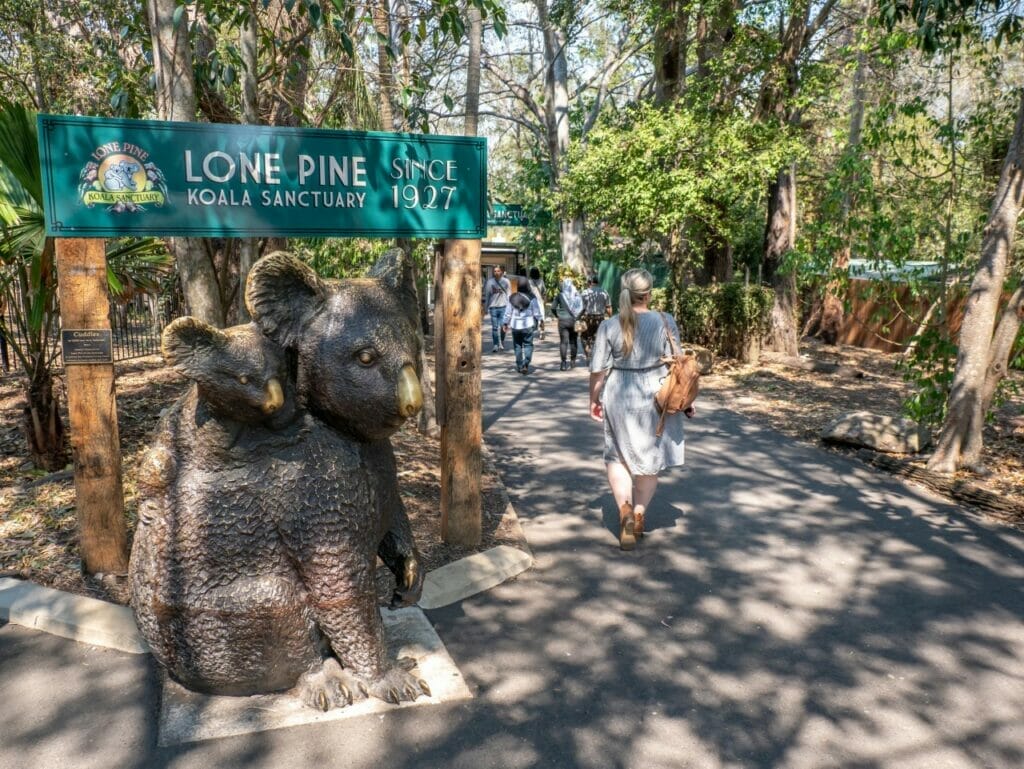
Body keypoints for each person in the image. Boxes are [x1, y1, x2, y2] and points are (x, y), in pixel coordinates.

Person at [588, 268, 695, 551]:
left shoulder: (610, 325)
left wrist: (593, 399)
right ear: (648, 294)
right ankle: (638, 513)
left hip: (618, 393)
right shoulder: (665, 320)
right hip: (655, 396)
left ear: (623, 292)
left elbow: (598, 371)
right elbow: (678, 365)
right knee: (648, 458)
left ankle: (623, 510)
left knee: (616, 454)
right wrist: (687, 402)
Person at [502, 276, 543, 374]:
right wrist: (541, 321)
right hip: (528, 325)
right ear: (528, 285)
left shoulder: (512, 297)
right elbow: (537, 312)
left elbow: (508, 313)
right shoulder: (532, 298)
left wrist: (505, 323)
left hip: (515, 326)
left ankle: (520, 365)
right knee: (528, 345)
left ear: (518, 286)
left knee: (517, 346)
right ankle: (526, 363)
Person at [550, 277, 584, 370]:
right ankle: (573, 362)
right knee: (573, 342)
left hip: (563, 321)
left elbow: (553, 308)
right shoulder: (577, 295)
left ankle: (563, 363)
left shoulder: (560, 296)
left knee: (563, 342)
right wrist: (578, 317)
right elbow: (582, 308)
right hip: (574, 321)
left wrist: (558, 315)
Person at [579, 274, 612, 360]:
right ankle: (597, 356)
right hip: (600, 319)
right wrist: (610, 318)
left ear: (589, 282)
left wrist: (578, 318)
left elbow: (581, 308)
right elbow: (608, 307)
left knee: (584, 336)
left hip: (588, 319)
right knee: (599, 337)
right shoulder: (604, 292)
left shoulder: (585, 292)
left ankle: (588, 354)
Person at [483, 266, 511, 352]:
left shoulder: (506, 281)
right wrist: (485, 308)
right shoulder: (490, 282)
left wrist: (510, 307)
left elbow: (509, 294)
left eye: (498, 271)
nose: (496, 272)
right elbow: (487, 296)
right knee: (495, 327)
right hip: (493, 307)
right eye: (495, 271)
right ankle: (495, 344)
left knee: (503, 326)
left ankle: (501, 342)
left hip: (503, 306)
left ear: (502, 272)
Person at [528, 267, 547, 340]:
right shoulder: (541, 281)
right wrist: (544, 302)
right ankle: (542, 332)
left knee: (531, 317)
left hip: (531, 301)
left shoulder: (529, 282)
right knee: (541, 318)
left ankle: (530, 332)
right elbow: (544, 292)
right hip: (540, 301)